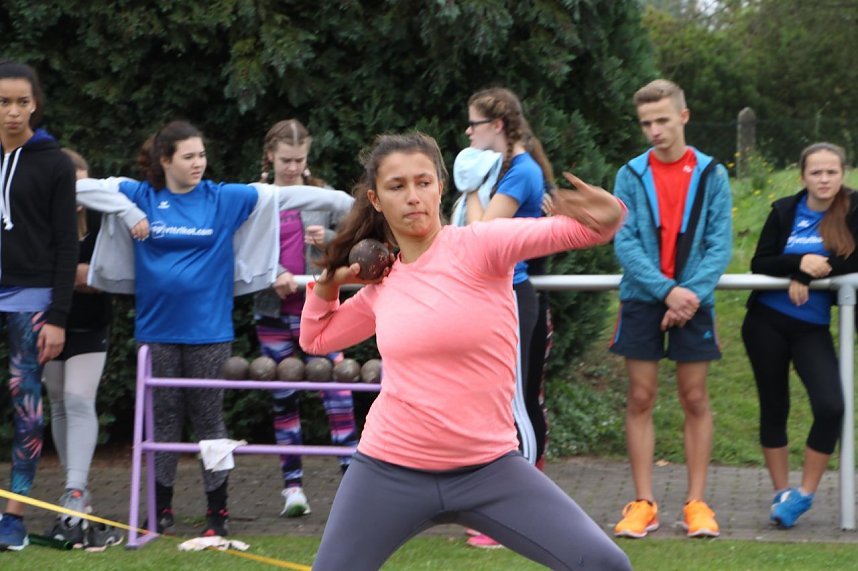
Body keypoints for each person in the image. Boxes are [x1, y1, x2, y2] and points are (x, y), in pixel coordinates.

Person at [300, 132, 631, 570]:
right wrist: (327, 285)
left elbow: (589, 230)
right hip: (387, 469)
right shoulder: (385, 285)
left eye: (423, 182)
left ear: (440, 186)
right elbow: (317, 339)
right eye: (397, 186)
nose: (413, 196)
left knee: (606, 565)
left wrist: (610, 213)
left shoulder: (482, 245)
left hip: (488, 470)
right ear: (376, 199)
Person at [73, 120, 355, 538]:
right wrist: (128, 210)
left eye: (201, 155)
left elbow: (286, 196)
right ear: (165, 161)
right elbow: (75, 187)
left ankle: (216, 515)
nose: (198, 163)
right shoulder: (141, 194)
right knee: (163, 426)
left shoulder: (222, 197)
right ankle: (160, 510)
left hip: (210, 333)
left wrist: (350, 203)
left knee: (210, 424)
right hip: (156, 332)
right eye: (188, 157)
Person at [610, 79, 732, 538]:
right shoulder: (630, 173)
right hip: (644, 298)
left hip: (695, 300)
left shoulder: (712, 173)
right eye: (646, 123)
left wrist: (688, 294)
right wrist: (666, 292)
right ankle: (643, 503)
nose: (654, 130)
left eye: (662, 120)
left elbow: (719, 246)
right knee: (641, 397)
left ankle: (696, 503)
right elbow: (625, 240)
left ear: (683, 116)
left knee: (695, 397)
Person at [742, 142, 856, 528]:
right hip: (766, 321)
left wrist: (807, 274)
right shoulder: (785, 210)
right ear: (802, 175)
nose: (824, 179)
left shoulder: (852, 208)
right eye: (816, 173)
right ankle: (781, 495)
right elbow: (761, 261)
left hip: (812, 326)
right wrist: (796, 263)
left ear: (843, 173)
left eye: (831, 172)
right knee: (775, 407)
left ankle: (804, 494)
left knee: (831, 406)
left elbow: (853, 257)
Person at [461, 87, 554, 548]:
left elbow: (481, 232)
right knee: (488, 403)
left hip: (514, 298)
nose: (467, 133)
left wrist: (469, 188)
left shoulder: (521, 171)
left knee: (515, 404)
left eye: (473, 124)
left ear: (496, 126)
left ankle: (524, 507)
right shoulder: (500, 169)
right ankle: (498, 506)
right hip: (489, 297)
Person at [254, 119, 357, 517]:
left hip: (322, 313)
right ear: (270, 156)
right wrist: (270, 274)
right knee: (284, 399)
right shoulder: (257, 198)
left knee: (339, 395)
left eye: (299, 160)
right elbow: (242, 256)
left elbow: (354, 251)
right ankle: (292, 489)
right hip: (273, 313)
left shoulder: (325, 196)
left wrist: (329, 241)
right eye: (285, 160)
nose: (293, 167)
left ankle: (353, 485)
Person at [0, 62, 78, 552]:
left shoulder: (54, 162)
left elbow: (66, 245)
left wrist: (58, 317)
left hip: (31, 303)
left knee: (27, 410)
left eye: (21, 102)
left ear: (35, 105)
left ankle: (14, 518)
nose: (11, 112)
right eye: (3, 102)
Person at [42, 149, 123, 550]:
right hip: (49, 321)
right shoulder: (40, 218)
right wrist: (72, 275)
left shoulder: (101, 219)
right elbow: (40, 269)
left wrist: (76, 275)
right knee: (57, 402)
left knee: (77, 398)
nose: (78, 192)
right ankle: (77, 486)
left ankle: (75, 492)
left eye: (84, 184)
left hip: (92, 323)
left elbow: (107, 275)